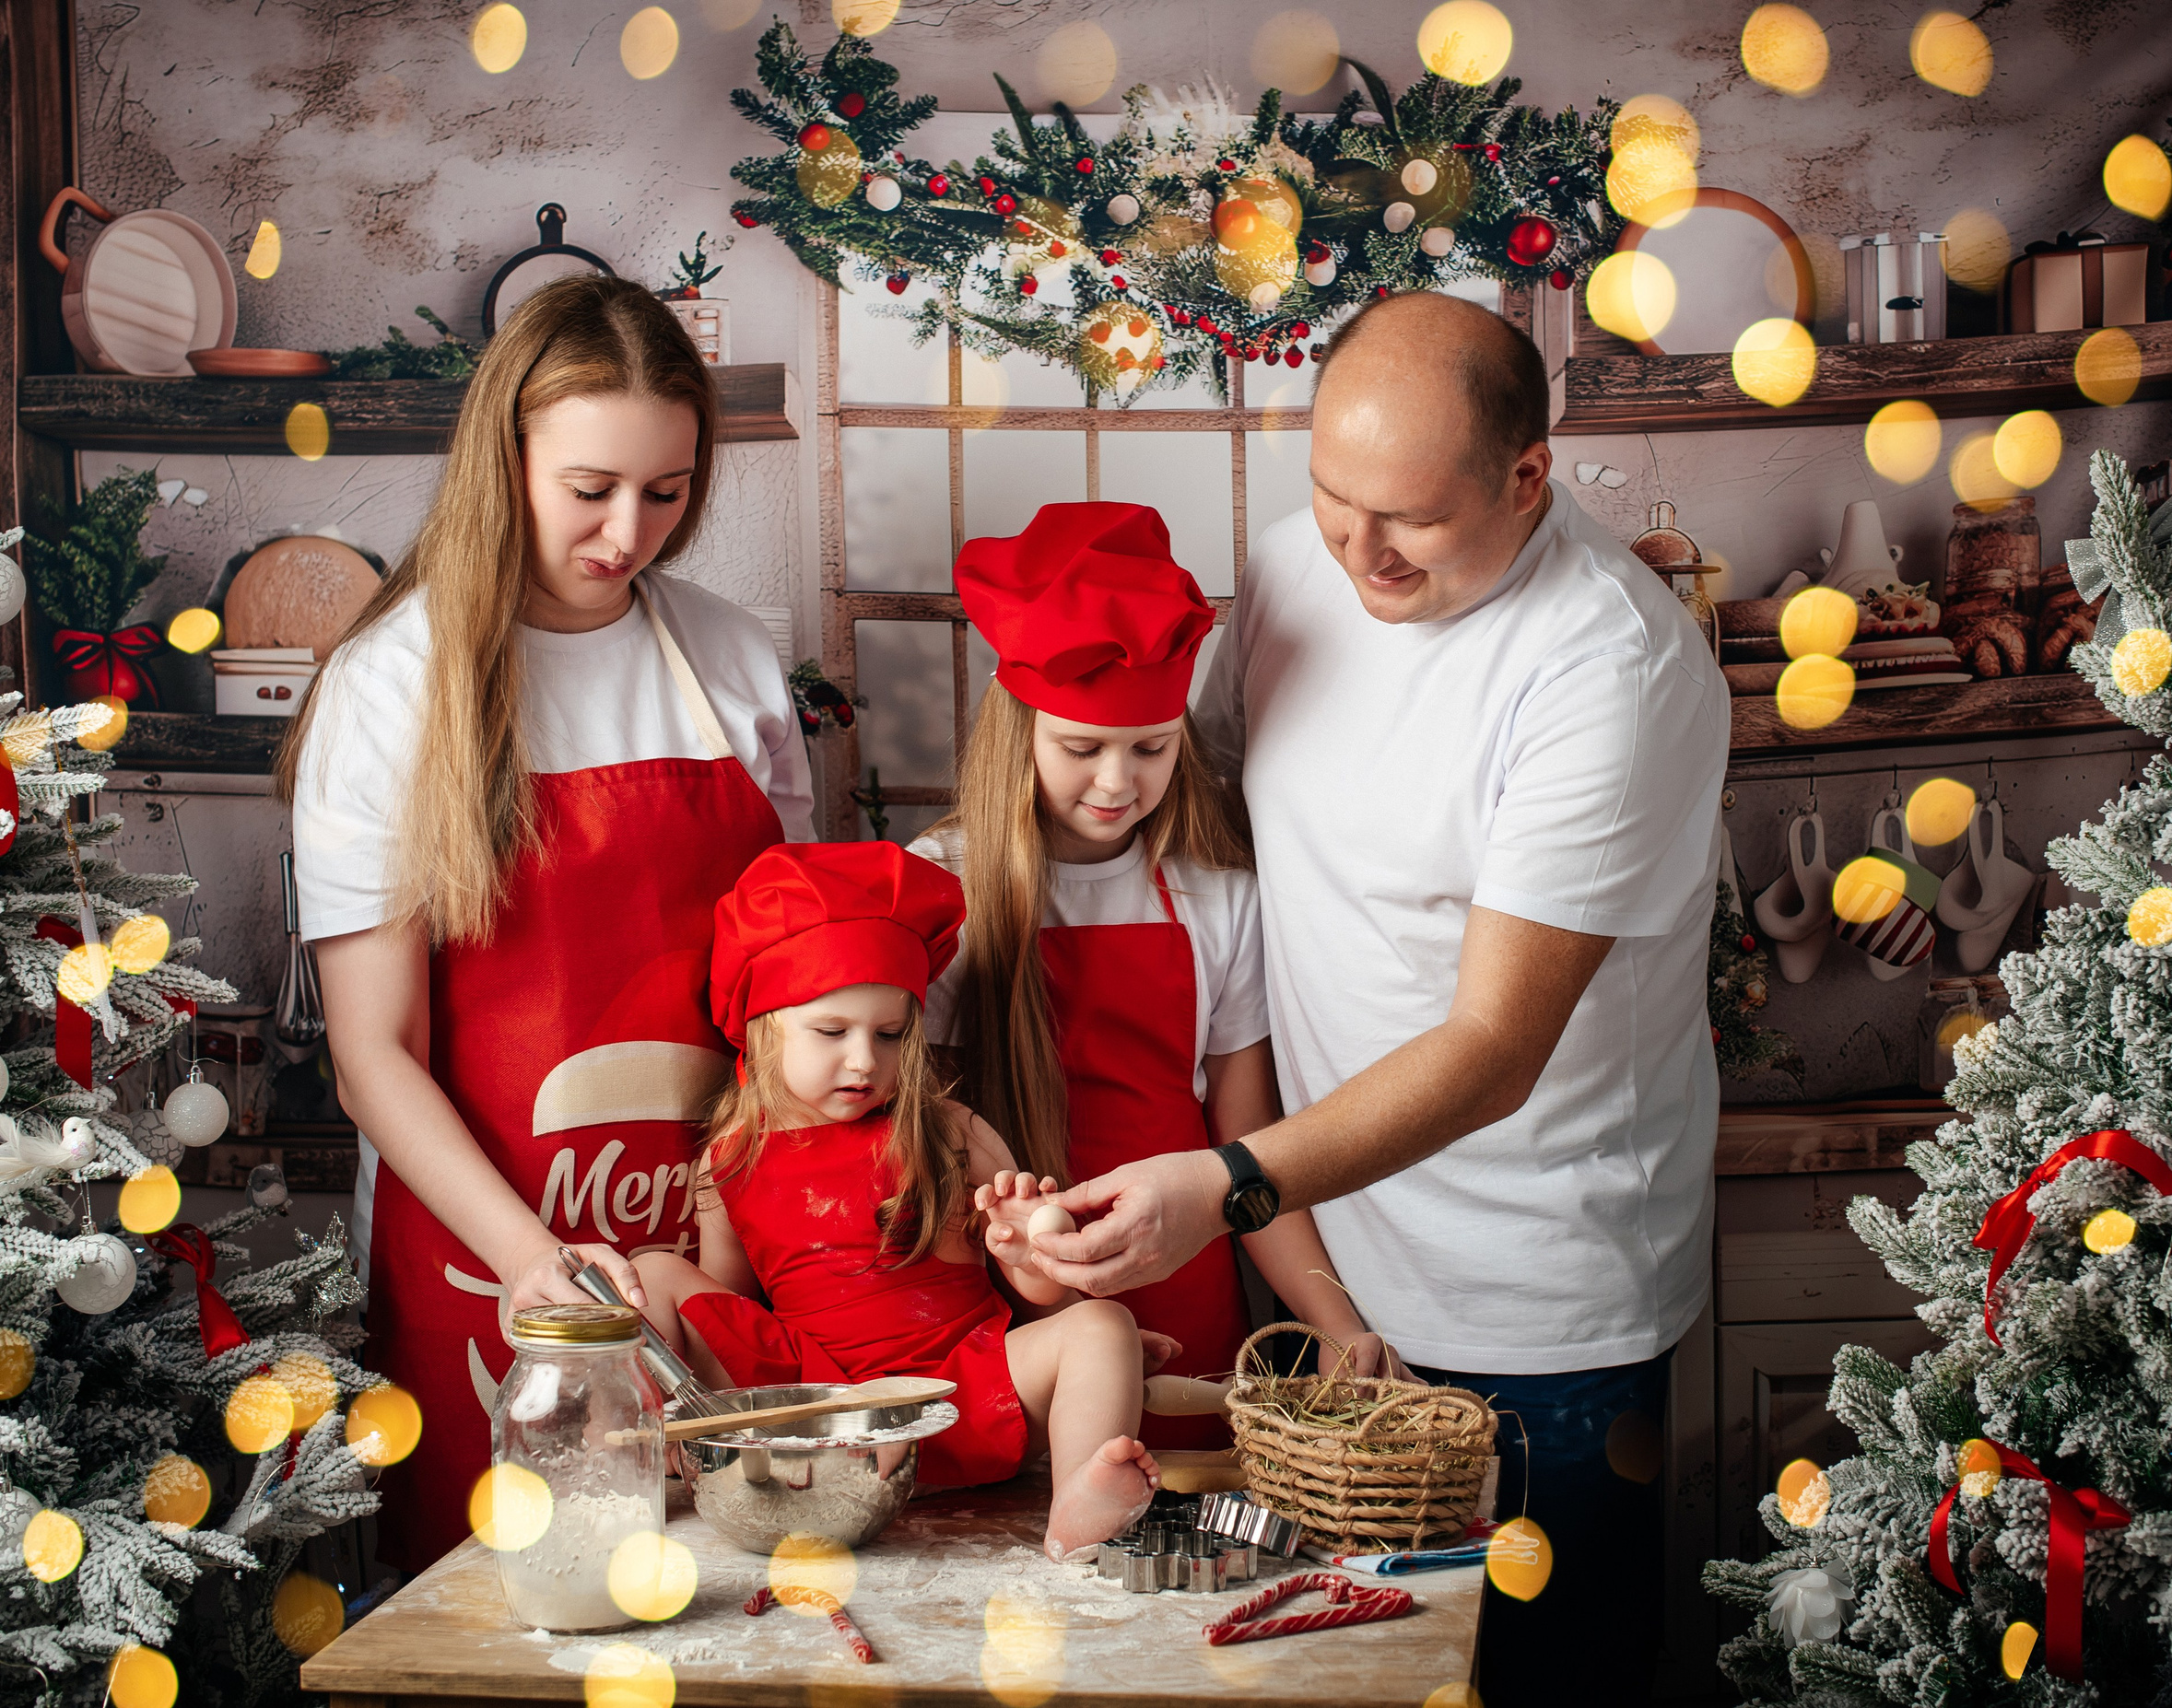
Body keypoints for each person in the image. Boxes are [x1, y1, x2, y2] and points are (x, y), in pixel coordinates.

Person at [1021, 291, 1730, 1698]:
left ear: (1528, 477)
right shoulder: (1297, 571)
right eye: (1331, 495)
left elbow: (1490, 1048)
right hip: (1310, 1274)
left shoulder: (1609, 669)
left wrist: (1222, 1183)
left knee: (1533, 1679)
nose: (1360, 548)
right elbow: (1201, 832)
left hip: (1532, 1302)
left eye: (1404, 517)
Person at [285, 275, 816, 1570]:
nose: (628, 532)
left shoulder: (735, 663)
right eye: (591, 489)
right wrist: (534, 1263)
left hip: (718, 1241)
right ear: (505, 454)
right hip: (489, 1260)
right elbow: (374, 1056)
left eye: (668, 491)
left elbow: (797, 980)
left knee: (733, 1597)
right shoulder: (394, 686)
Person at [907, 503, 1390, 1445]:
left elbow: (1247, 1142)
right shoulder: (940, 889)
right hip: (1007, 1295)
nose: (1118, 782)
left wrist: (1338, 1324)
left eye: (1152, 747)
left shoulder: (1218, 894)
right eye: (1081, 749)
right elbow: (922, 1135)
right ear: (1020, 735)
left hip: (1191, 1290)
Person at [635, 840, 1162, 1557]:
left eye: (889, 1035)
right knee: (654, 1273)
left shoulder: (951, 1133)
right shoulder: (729, 1162)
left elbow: (1051, 1308)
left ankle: (1078, 1499)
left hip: (960, 1400)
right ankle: (661, 1458)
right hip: (825, 1417)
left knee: (1103, 1325)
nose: (864, 1060)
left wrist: (1024, 1250)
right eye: (832, 1032)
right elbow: (733, 1313)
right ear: (764, 1030)